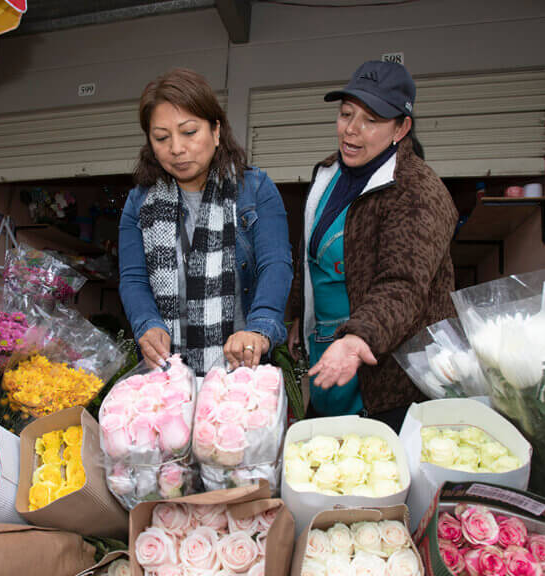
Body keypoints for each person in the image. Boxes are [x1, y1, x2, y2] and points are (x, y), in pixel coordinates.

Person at [286, 60, 458, 431]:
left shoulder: (419, 192)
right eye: (346, 113)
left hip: (384, 374)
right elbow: (309, 253)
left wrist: (358, 337)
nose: (352, 129)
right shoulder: (328, 174)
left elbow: (403, 284)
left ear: (402, 128)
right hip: (328, 354)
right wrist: (300, 314)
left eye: (371, 120)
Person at [119, 68, 292, 374]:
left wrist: (260, 328)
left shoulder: (254, 189)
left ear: (215, 131)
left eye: (189, 132)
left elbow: (275, 265)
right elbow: (133, 280)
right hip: (167, 377)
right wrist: (147, 325)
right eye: (161, 137)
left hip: (241, 373)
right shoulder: (139, 203)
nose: (176, 148)